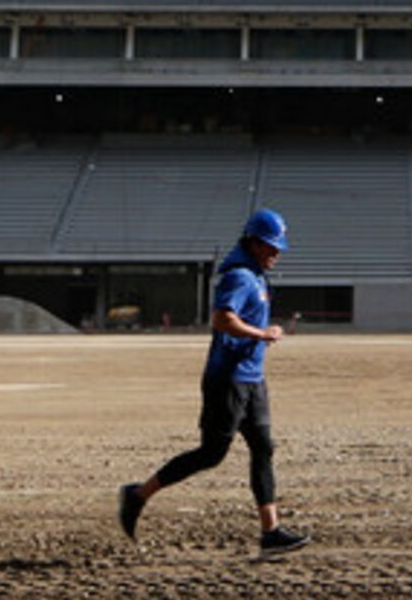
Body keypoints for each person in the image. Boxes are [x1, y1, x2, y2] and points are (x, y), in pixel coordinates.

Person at [117, 208, 309, 557]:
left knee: (263, 447)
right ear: (252, 243)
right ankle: (137, 495)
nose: (276, 253)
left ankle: (271, 532)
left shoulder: (256, 276)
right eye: (270, 246)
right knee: (211, 454)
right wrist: (262, 333)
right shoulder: (238, 276)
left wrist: (265, 333)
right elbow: (222, 319)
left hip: (252, 379)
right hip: (228, 380)